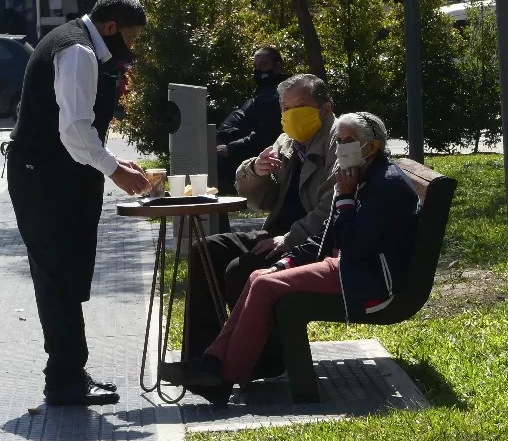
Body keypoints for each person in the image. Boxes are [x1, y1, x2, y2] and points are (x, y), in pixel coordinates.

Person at [162, 112, 421, 404]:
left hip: (368, 279)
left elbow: (356, 246)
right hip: (345, 267)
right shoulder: (356, 174)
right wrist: (285, 262)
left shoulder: (385, 185)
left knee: (263, 286)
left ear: (371, 147)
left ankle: (225, 375)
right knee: (259, 275)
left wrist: (346, 198)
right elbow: (327, 237)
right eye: (338, 140)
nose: (339, 147)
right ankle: (211, 362)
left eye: (348, 141)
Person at [5, 0, 151, 407]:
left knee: (62, 276)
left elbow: (74, 129)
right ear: (110, 28)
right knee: (58, 277)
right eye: (133, 36)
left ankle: (69, 372)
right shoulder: (79, 53)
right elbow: (73, 131)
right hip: (46, 178)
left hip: (48, 174)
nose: (133, 46)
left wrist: (109, 159)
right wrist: (114, 169)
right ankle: (64, 380)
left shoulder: (73, 41)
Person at [182, 73, 338, 382]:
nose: (292, 116)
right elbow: (257, 199)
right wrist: (256, 170)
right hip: (276, 233)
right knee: (205, 249)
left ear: (326, 109)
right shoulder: (288, 140)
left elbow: (333, 208)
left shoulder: (341, 142)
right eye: (285, 108)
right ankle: (199, 361)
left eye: (301, 106)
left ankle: (262, 358)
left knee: (241, 268)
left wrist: (290, 238)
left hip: (313, 242)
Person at [216, 47, 287, 194]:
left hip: (262, 158)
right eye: (255, 67)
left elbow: (265, 136)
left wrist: (231, 149)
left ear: (278, 67)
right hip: (244, 152)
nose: (259, 71)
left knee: (215, 167)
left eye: (264, 65)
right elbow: (239, 116)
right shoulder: (259, 96)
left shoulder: (282, 96)